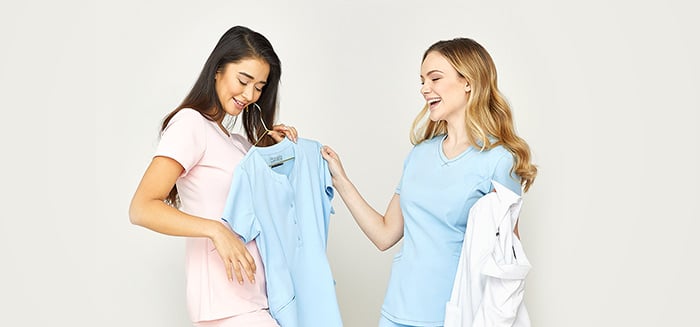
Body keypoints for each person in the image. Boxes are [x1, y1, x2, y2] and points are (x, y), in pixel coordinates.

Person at [321, 37, 537, 327]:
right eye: (422, 80)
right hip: (397, 311)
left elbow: (506, 262)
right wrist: (341, 179)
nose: (425, 88)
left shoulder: (498, 161)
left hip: (454, 317)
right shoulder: (419, 155)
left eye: (435, 78)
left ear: (468, 82)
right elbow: (385, 234)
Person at [129, 26, 298, 327]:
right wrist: (216, 231)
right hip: (225, 307)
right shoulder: (190, 125)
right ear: (218, 69)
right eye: (243, 81)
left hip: (257, 301)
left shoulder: (238, 143)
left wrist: (276, 152)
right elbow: (142, 208)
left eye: (259, 86)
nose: (249, 94)